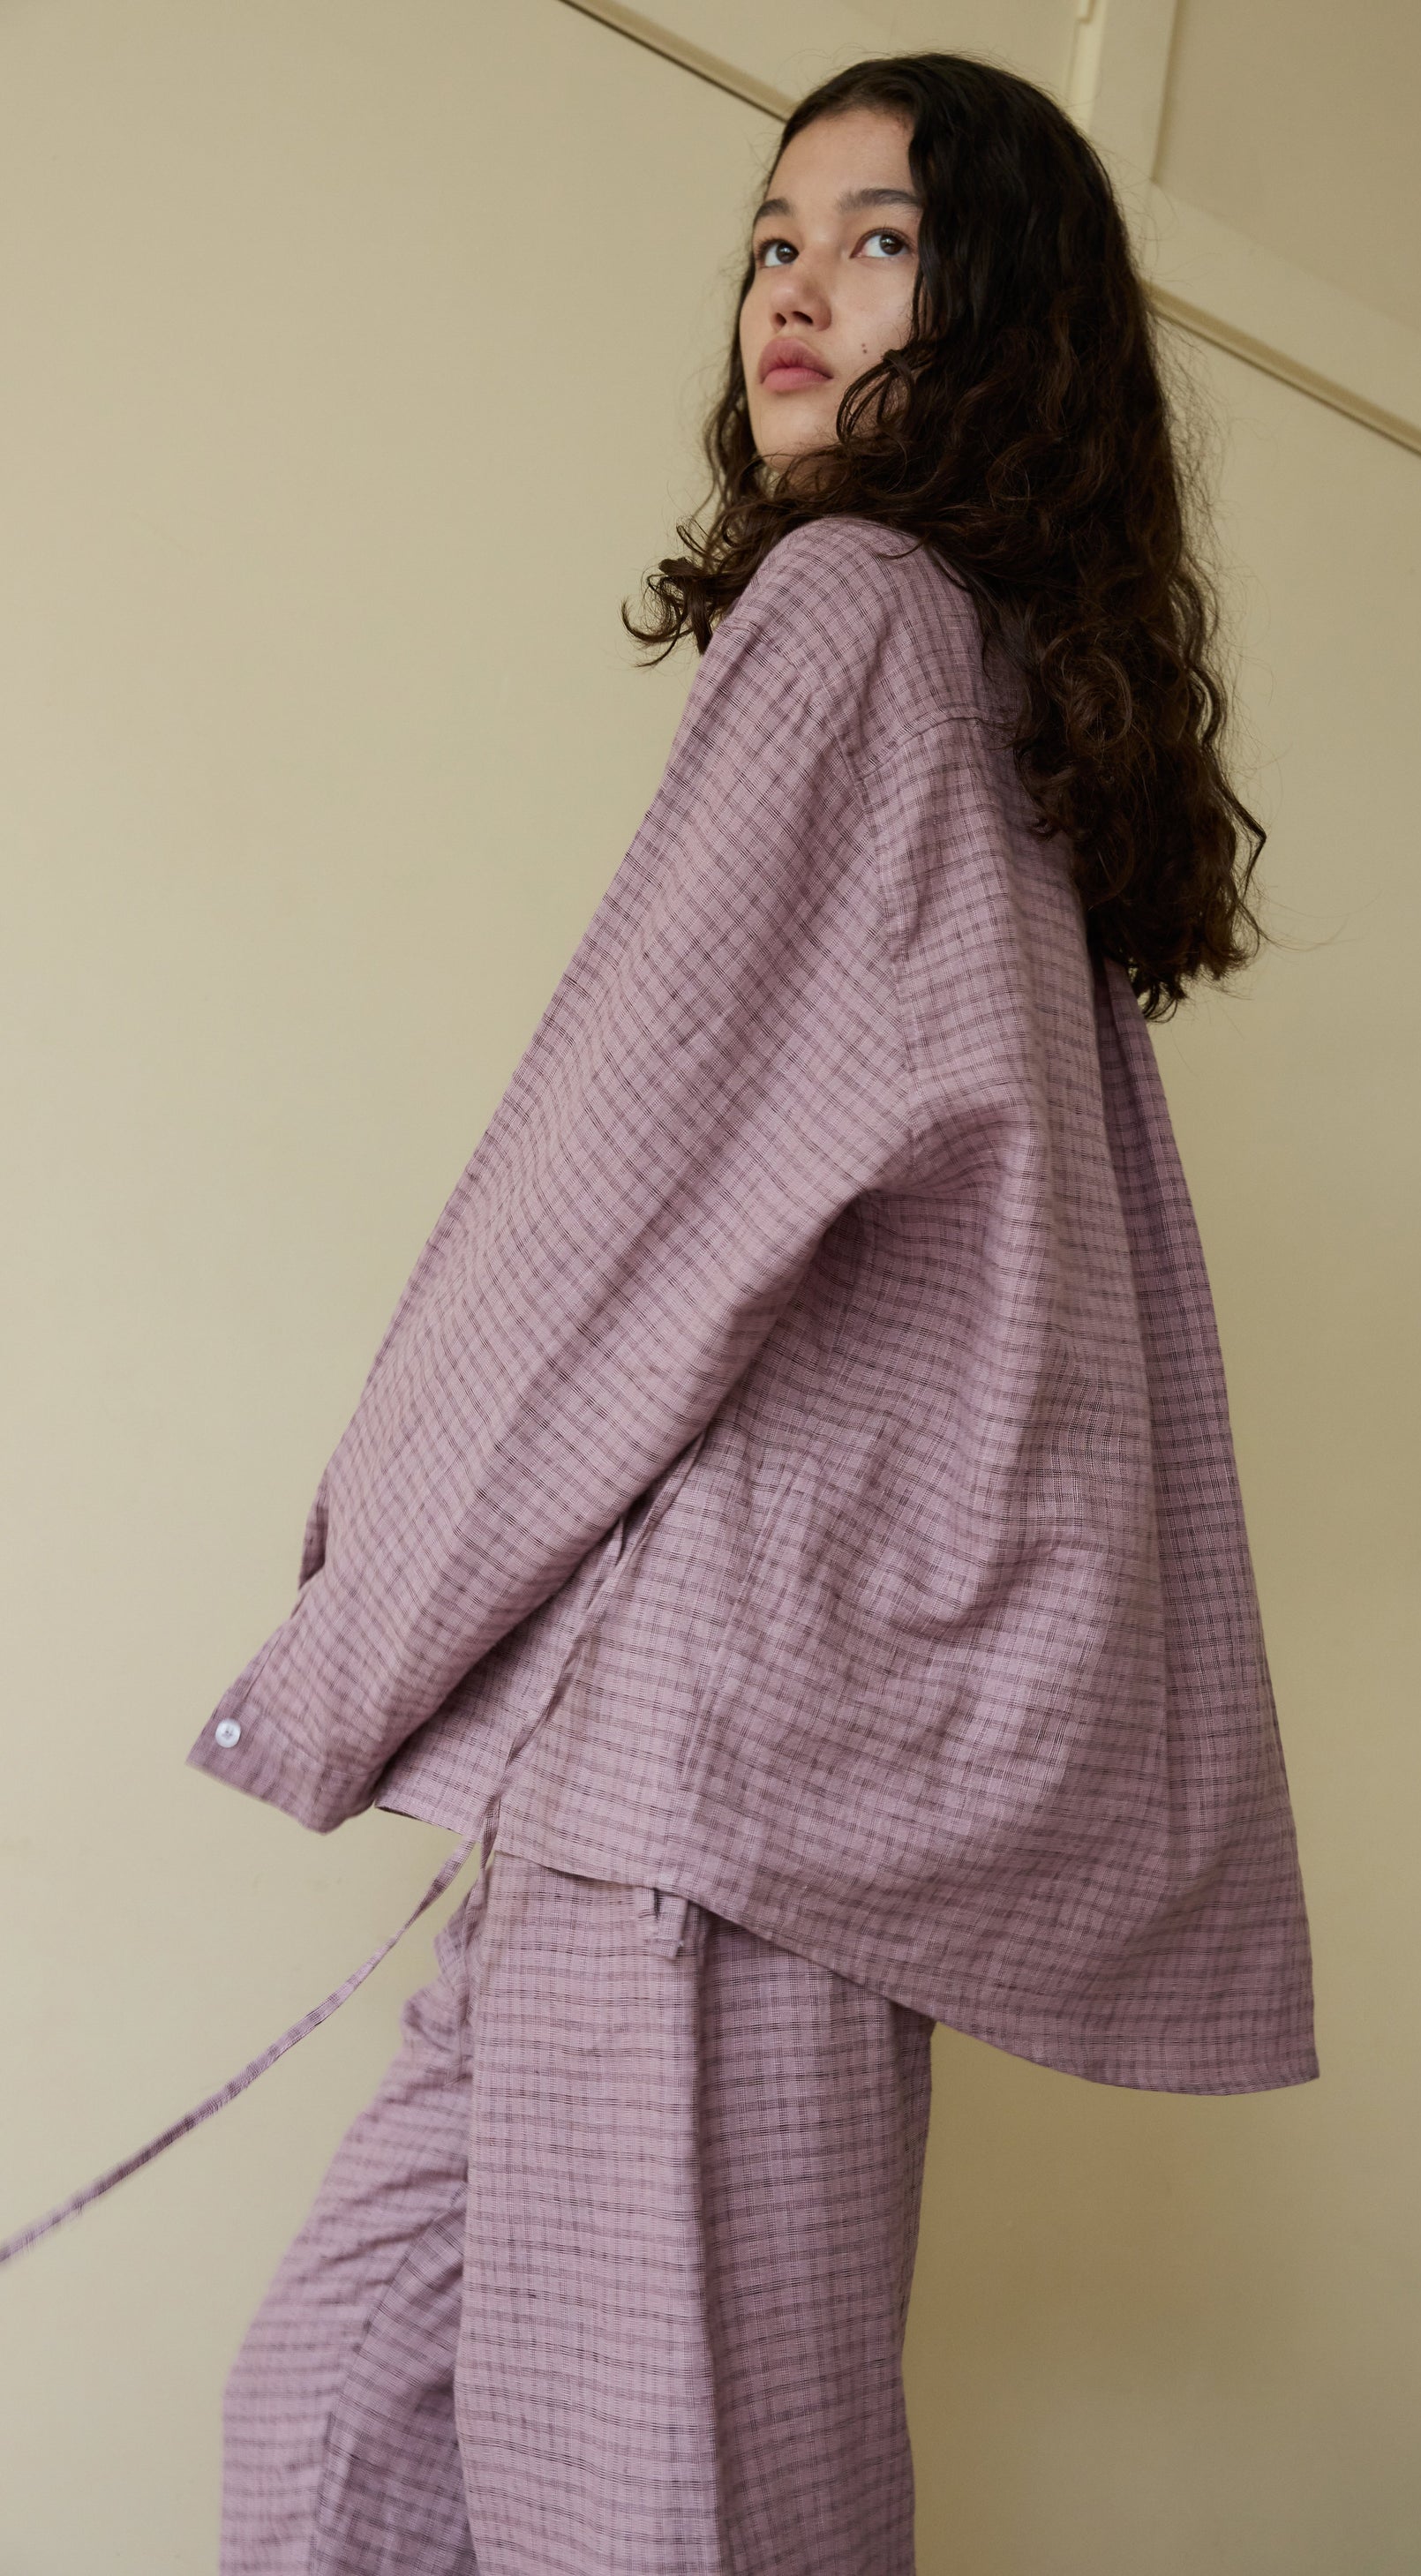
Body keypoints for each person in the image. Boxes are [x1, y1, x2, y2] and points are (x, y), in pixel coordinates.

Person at [194, 50, 1317, 2576]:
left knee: (660, 2515)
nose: (795, 288)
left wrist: (362, 1631)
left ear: (1002, 309)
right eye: (768, 239)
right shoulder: (976, 703)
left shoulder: (852, 627)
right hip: (681, 1765)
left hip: (719, 1762)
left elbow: (625, 1181)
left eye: (880, 238)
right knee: (338, 2437)